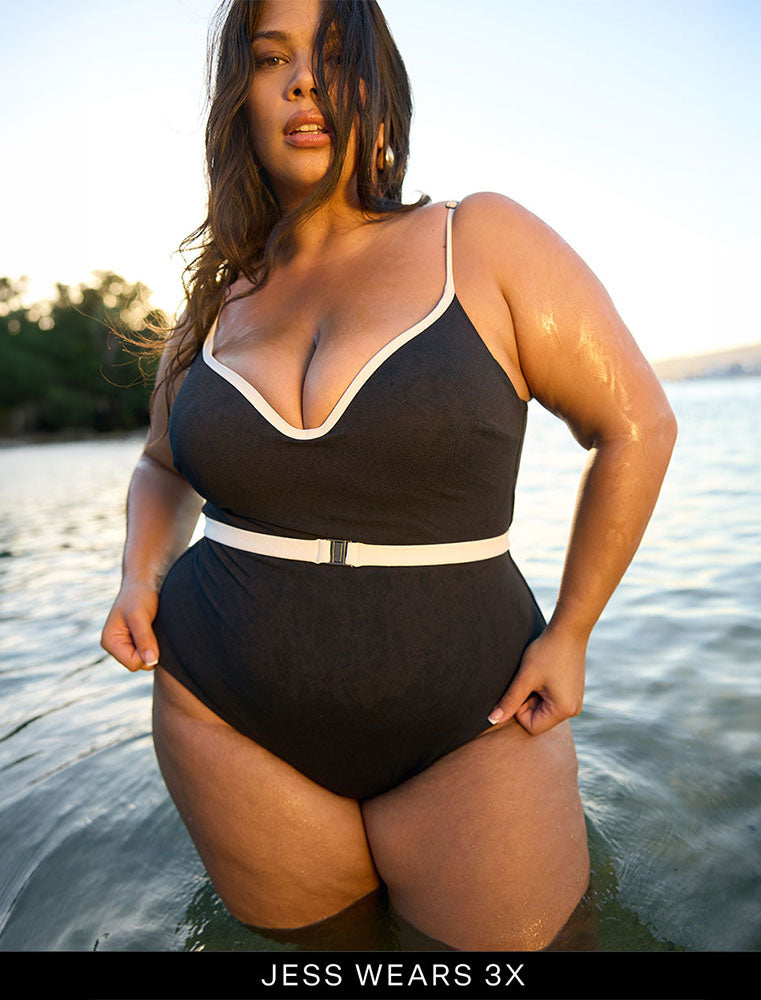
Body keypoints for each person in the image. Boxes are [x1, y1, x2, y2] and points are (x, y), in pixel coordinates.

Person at [100, 0, 676, 951]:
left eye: (332, 54)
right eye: (269, 57)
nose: (303, 81)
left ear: (378, 81)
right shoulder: (211, 302)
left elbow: (637, 427)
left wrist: (572, 632)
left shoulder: (479, 241)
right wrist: (138, 574)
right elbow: (162, 465)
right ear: (238, 98)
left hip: (471, 714)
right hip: (227, 718)